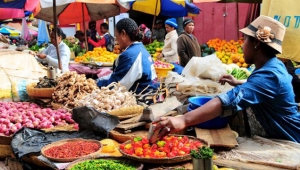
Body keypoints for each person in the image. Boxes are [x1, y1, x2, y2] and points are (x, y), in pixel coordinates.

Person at [154, 15, 300, 143]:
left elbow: (229, 99)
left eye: (245, 40)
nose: (242, 46)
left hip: (293, 140)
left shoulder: (270, 75)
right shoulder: (273, 66)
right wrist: (239, 82)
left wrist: (183, 120)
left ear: (256, 43)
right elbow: (264, 87)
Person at [96, 18, 158, 94]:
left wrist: (96, 84)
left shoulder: (131, 55)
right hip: (150, 92)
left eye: (116, 36)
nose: (116, 40)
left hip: (144, 98)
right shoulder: (140, 48)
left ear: (123, 34)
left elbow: (115, 86)